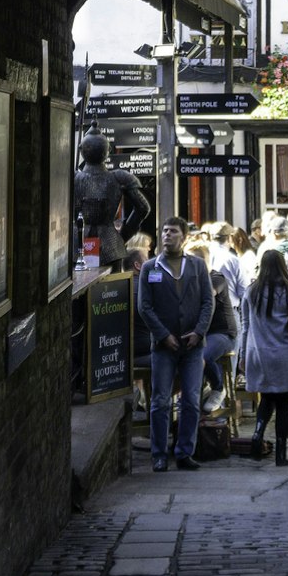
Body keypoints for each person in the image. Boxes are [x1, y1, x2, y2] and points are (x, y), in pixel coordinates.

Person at [136, 216, 214, 472]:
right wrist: (162, 335)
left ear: (184, 236)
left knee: (191, 400)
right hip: (163, 346)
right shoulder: (151, 267)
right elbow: (144, 307)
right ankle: (159, 454)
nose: (167, 235)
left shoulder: (197, 266)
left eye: (173, 232)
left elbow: (207, 302)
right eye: (164, 231)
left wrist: (199, 332)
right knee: (160, 401)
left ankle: (184, 452)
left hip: (192, 346)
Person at [241, 248, 288, 465]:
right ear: (282, 265)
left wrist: (243, 354)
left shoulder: (251, 291)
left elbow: (245, 325)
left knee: (267, 399)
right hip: (286, 353)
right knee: (283, 403)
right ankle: (281, 454)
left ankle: (256, 436)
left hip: (260, 353)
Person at [74, 134, 151, 267]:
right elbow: (142, 208)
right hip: (109, 242)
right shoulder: (118, 177)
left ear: (82, 151)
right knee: (109, 286)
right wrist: (123, 235)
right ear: (108, 151)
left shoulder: (73, 177)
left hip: (78, 241)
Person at [186, 238, 241, 413]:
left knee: (202, 355)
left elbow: (208, 296)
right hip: (201, 332)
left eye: (191, 260)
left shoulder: (216, 277)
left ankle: (218, 388)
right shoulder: (187, 279)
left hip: (222, 333)